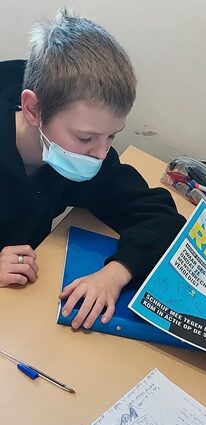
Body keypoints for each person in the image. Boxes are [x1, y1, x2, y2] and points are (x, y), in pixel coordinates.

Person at [0, 10, 185, 329]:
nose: (100, 154)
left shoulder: (78, 153)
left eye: (111, 136)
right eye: (86, 138)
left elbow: (159, 216)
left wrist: (116, 273)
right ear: (32, 109)